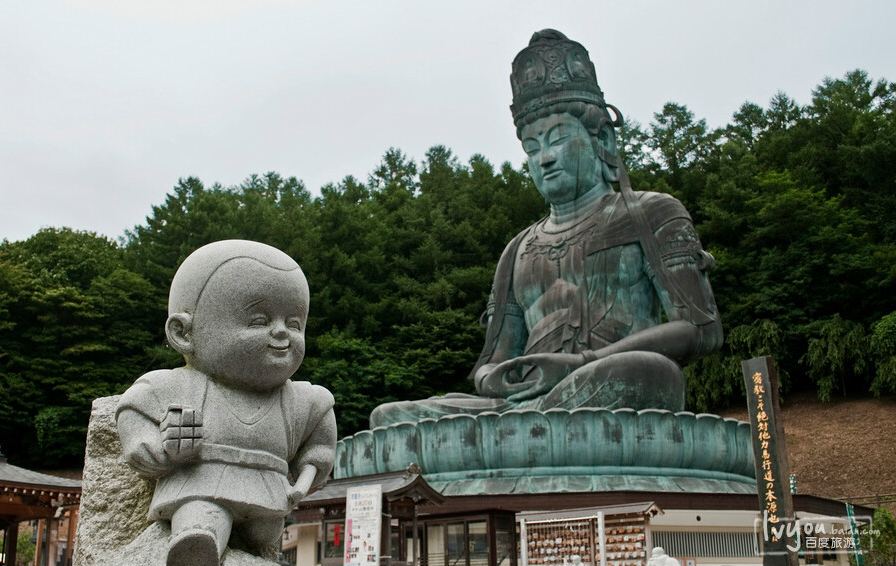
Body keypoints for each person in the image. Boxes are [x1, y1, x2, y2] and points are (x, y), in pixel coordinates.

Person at [370, 30, 722, 428]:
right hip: (526, 401)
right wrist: (498, 379)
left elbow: (700, 329)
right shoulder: (518, 249)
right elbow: (491, 364)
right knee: (389, 418)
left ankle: (531, 427)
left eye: (557, 139)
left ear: (601, 139)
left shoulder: (652, 212)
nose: (545, 158)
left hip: (609, 382)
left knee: (647, 371)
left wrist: (581, 363)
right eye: (532, 148)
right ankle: (528, 426)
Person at [116, 240, 337, 566]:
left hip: (269, 493)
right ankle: (198, 544)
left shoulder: (301, 399)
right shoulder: (180, 384)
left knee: (266, 532)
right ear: (183, 333)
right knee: (202, 514)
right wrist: (157, 449)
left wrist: (301, 484)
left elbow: (319, 450)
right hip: (201, 482)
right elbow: (132, 410)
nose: (282, 334)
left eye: (294, 324)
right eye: (260, 320)